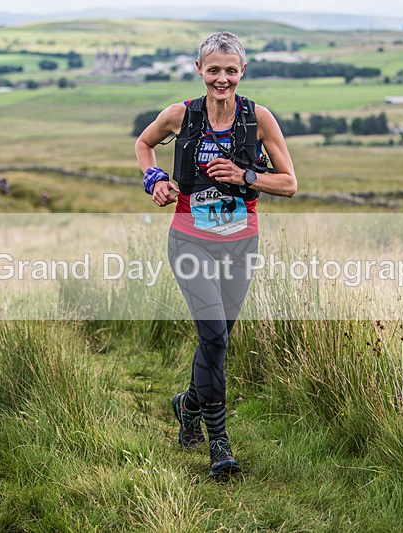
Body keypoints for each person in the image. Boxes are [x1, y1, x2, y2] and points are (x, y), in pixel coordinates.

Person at [134, 31, 297, 478]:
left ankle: (187, 404)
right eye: (213, 70)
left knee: (216, 336)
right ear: (200, 70)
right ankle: (219, 442)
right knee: (217, 336)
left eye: (230, 70)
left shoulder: (259, 119)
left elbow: (289, 183)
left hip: (241, 243)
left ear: (242, 72)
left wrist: (247, 176)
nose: (221, 78)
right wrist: (155, 179)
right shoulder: (179, 115)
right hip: (190, 240)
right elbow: (143, 144)